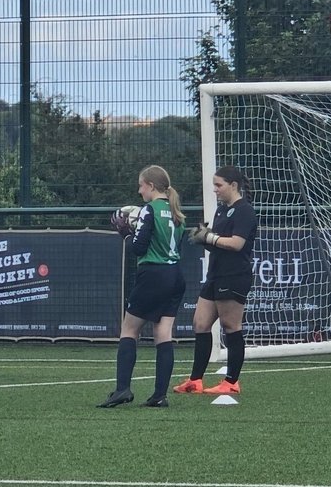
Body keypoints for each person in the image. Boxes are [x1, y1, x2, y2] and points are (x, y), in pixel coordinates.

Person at [98, 166, 187, 408]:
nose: (139, 191)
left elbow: (139, 247)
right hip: (176, 275)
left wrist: (126, 233)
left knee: (129, 330)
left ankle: (122, 389)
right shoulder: (176, 212)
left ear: (150, 186)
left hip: (153, 274)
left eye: (141, 185)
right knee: (163, 333)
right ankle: (160, 395)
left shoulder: (149, 210)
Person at [174, 166, 258, 396]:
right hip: (215, 274)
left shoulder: (245, 211)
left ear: (233, 185)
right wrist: (204, 237)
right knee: (200, 324)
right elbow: (219, 241)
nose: (215, 190)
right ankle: (195, 380)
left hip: (234, 275)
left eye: (219, 185)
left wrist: (210, 237)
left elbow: (236, 244)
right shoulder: (222, 210)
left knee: (231, 327)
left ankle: (231, 382)